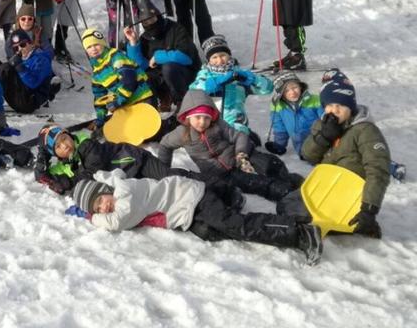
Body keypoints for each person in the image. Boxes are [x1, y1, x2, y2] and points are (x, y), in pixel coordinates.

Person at [65, 170, 323, 266]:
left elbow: (117, 222)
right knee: (209, 233)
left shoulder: (125, 194)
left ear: (106, 192)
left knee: (234, 225)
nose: (103, 209)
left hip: (191, 198)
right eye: (97, 210)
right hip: (186, 205)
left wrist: (92, 219)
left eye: (100, 202)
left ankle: (299, 233)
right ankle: (230, 198)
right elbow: (108, 181)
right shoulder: (119, 188)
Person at [277, 73, 392, 238]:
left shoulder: (365, 131)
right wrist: (323, 137)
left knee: (303, 216)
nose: (334, 110)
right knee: (286, 204)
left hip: (351, 195)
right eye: (330, 105)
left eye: (341, 105)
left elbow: (378, 170)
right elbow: (308, 155)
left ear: (350, 107)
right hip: (327, 187)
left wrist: (369, 210)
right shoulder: (322, 125)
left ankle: (356, 225)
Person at [157, 90, 299, 201]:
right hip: (220, 173)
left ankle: (287, 179)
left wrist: (241, 153)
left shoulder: (217, 125)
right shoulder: (181, 133)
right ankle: (285, 192)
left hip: (238, 156)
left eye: (206, 117)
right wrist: (164, 169)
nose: (202, 122)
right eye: (197, 117)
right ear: (188, 117)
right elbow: (164, 145)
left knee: (269, 162)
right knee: (255, 182)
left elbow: (239, 135)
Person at [33, 125, 190, 196]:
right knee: (165, 191)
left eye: (64, 138)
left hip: (136, 161)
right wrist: (43, 155)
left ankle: (203, 180)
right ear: (55, 153)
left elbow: (92, 171)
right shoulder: (65, 165)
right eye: (58, 146)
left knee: (171, 178)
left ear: (70, 136)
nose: (64, 145)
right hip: (130, 178)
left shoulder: (86, 144)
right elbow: (42, 176)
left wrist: (70, 182)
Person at [124, 0, 199, 111]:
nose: (150, 23)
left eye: (152, 18)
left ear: (159, 16)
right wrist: (133, 42)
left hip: (184, 75)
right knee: (143, 77)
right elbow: (140, 66)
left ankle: (182, 102)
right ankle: (151, 109)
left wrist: (158, 57)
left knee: (169, 67)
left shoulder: (176, 29)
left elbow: (186, 57)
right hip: (160, 79)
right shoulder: (145, 38)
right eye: (146, 21)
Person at [189, 35, 273, 134]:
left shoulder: (238, 74)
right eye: (214, 57)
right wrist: (216, 82)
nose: (219, 60)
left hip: (236, 122)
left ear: (229, 55)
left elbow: (268, 88)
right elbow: (193, 90)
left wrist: (250, 78)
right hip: (209, 121)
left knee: (240, 141)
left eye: (222, 55)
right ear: (209, 60)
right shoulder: (204, 75)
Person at [82, 26, 154, 128]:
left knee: (145, 129)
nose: (93, 49)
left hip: (142, 98)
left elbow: (129, 81)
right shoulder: (97, 71)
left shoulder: (115, 56)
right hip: (126, 104)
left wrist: (118, 102)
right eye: (89, 47)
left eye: (96, 44)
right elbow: (100, 97)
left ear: (102, 43)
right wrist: (100, 117)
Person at [0, 29, 60, 114]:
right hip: (20, 95)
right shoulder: (21, 58)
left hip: (29, 101)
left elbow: (33, 84)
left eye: (22, 45)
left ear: (30, 43)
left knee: (6, 68)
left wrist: (19, 67)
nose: (19, 49)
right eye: (15, 48)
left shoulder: (41, 59)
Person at [265, 71, 322, 158]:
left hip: (320, 142)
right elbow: (280, 128)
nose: (292, 92)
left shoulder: (314, 100)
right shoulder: (279, 107)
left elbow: (325, 118)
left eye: (294, 87)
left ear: (300, 86)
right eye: (286, 90)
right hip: (301, 148)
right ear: (281, 94)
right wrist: (279, 145)